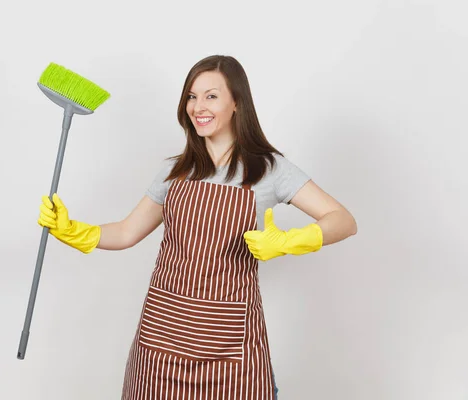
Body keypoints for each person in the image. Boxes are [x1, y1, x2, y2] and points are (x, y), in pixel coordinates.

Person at [37, 55, 357, 399]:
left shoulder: (269, 169)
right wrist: (74, 230)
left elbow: (343, 220)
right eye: (192, 96)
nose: (198, 106)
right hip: (161, 343)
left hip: (229, 350)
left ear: (237, 103)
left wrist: (294, 240)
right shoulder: (175, 171)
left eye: (211, 96)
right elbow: (127, 232)